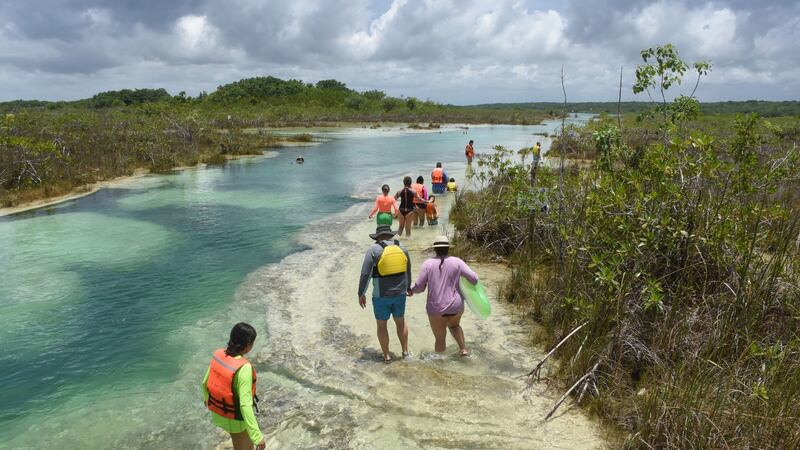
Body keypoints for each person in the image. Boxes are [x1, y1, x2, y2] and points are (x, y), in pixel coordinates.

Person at [408, 236, 478, 356]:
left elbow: (419, 287)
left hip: (437, 308)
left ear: (435, 249)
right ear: (448, 249)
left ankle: (440, 365)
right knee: (455, 326)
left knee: (440, 339)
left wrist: (411, 290)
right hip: (456, 306)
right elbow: (474, 279)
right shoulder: (457, 261)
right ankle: (463, 349)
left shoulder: (427, 264)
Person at [202, 323, 266, 450]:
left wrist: (207, 399)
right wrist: (257, 436)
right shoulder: (244, 368)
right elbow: (245, 405)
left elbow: (205, 382)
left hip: (218, 412)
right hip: (234, 420)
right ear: (248, 345)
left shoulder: (219, 355)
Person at [358, 224, 412, 362]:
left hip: (381, 295)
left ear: (377, 237)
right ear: (390, 235)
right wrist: (408, 288)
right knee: (400, 321)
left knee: (382, 325)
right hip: (400, 293)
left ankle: (387, 355)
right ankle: (405, 352)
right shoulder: (402, 248)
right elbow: (408, 270)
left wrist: (361, 293)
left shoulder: (373, 250)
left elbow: (365, 274)